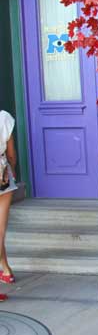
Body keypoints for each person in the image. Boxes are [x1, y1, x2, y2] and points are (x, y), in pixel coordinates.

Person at [0, 110, 17, 301]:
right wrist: (10, 171)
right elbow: (11, 154)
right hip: (2, 176)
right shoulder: (3, 117)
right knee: (0, 231)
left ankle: (5, 269)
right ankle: (5, 269)